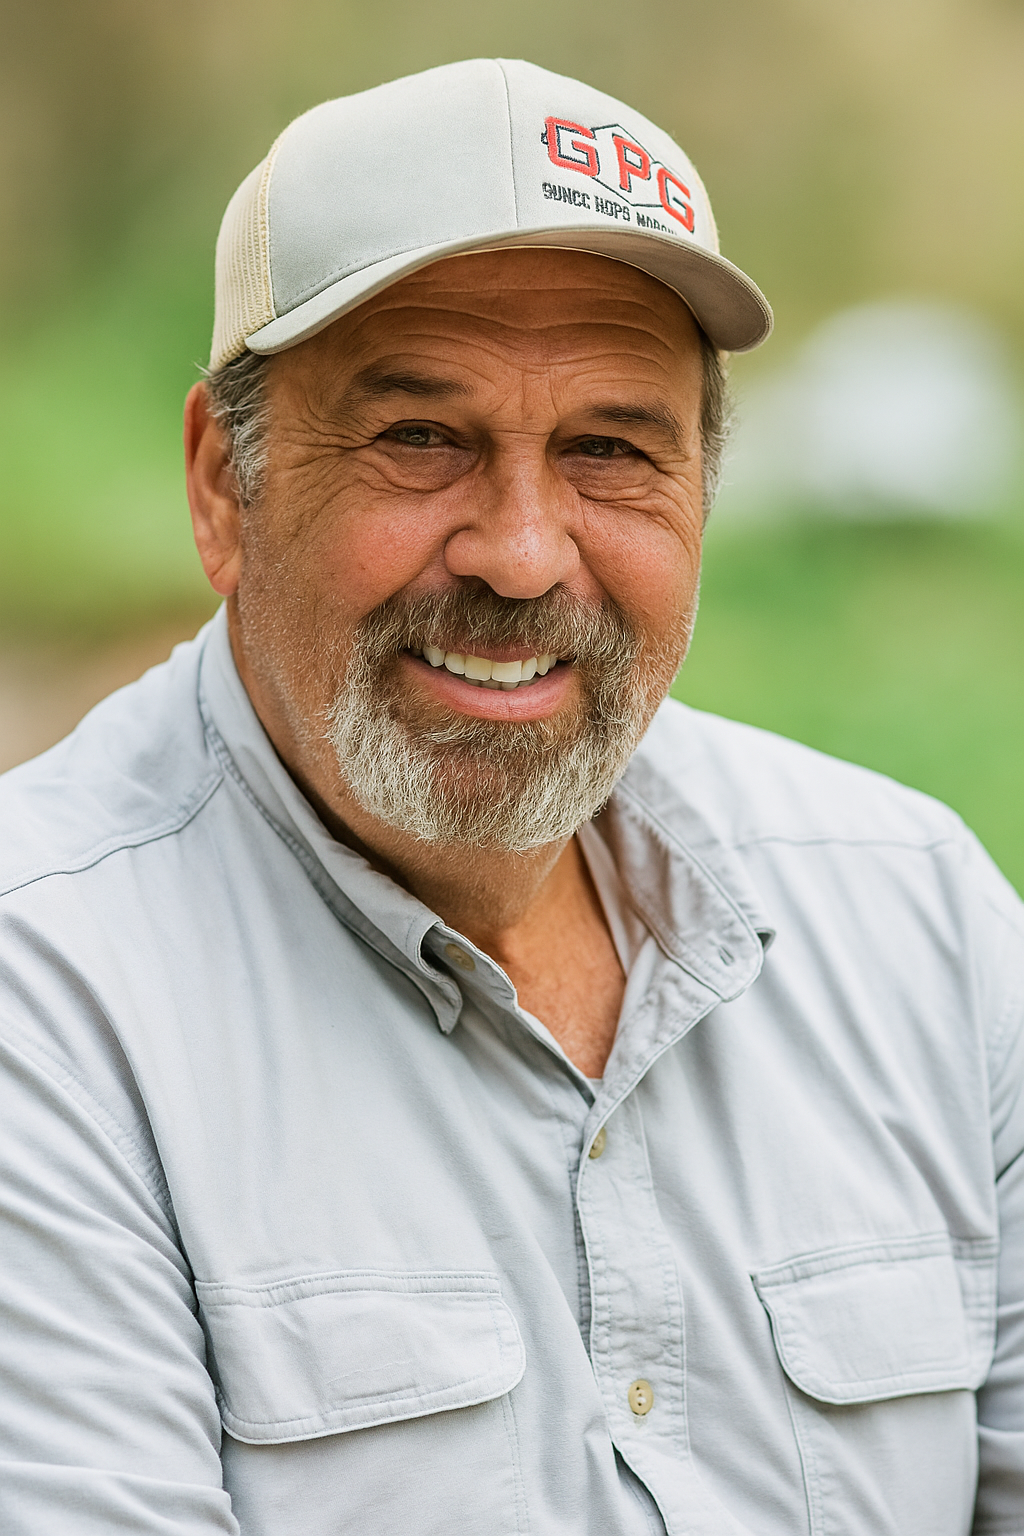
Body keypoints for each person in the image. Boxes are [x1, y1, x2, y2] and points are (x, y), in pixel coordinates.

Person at [0, 57, 1020, 1536]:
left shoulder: (921, 918)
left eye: (611, 449)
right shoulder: (47, 998)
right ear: (226, 485)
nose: (524, 555)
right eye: (421, 439)